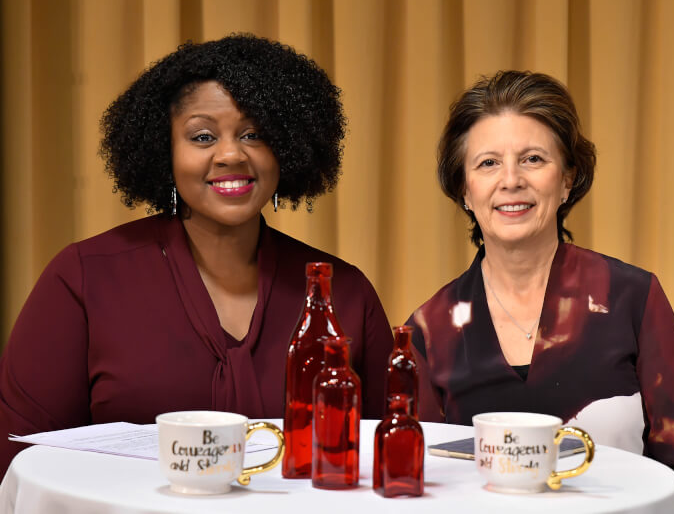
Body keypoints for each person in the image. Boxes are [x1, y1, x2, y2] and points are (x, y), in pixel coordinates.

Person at [0, 34, 393, 477]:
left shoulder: (344, 291)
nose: (230, 154)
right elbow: (21, 458)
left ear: (287, 148)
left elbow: (387, 452)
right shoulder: (84, 278)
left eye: (254, 134)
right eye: (202, 136)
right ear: (164, 153)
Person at [407, 71, 674, 513]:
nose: (511, 180)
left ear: (567, 179)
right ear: (465, 191)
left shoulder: (632, 297)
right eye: (488, 163)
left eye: (533, 159)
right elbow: (421, 490)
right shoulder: (429, 330)